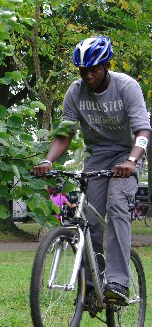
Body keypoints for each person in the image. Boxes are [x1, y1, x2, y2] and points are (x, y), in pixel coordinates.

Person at [33, 35, 150, 304]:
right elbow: (64, 134)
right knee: (88, 219)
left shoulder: (126, 87)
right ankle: (90, 286)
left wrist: (132, 161)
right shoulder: (75, 93)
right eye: (83, 71)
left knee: (117, 204)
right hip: (97, 155)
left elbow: (143, 130)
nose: (88, 76)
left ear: (107, 65)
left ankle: (118, 281)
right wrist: (48, 161)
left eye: (94, 70)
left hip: (126, 153)